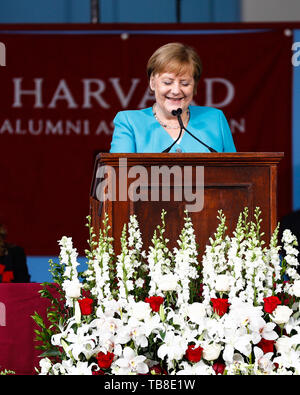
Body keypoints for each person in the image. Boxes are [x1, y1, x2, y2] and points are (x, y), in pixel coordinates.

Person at [110, 42, 236, 153]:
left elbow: (236, 174)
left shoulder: (215, 119)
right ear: (152, 83)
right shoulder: (129, 122)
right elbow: (118, 176)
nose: (176, 91)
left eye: (185, 83)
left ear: (195, 86)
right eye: (167, 82)